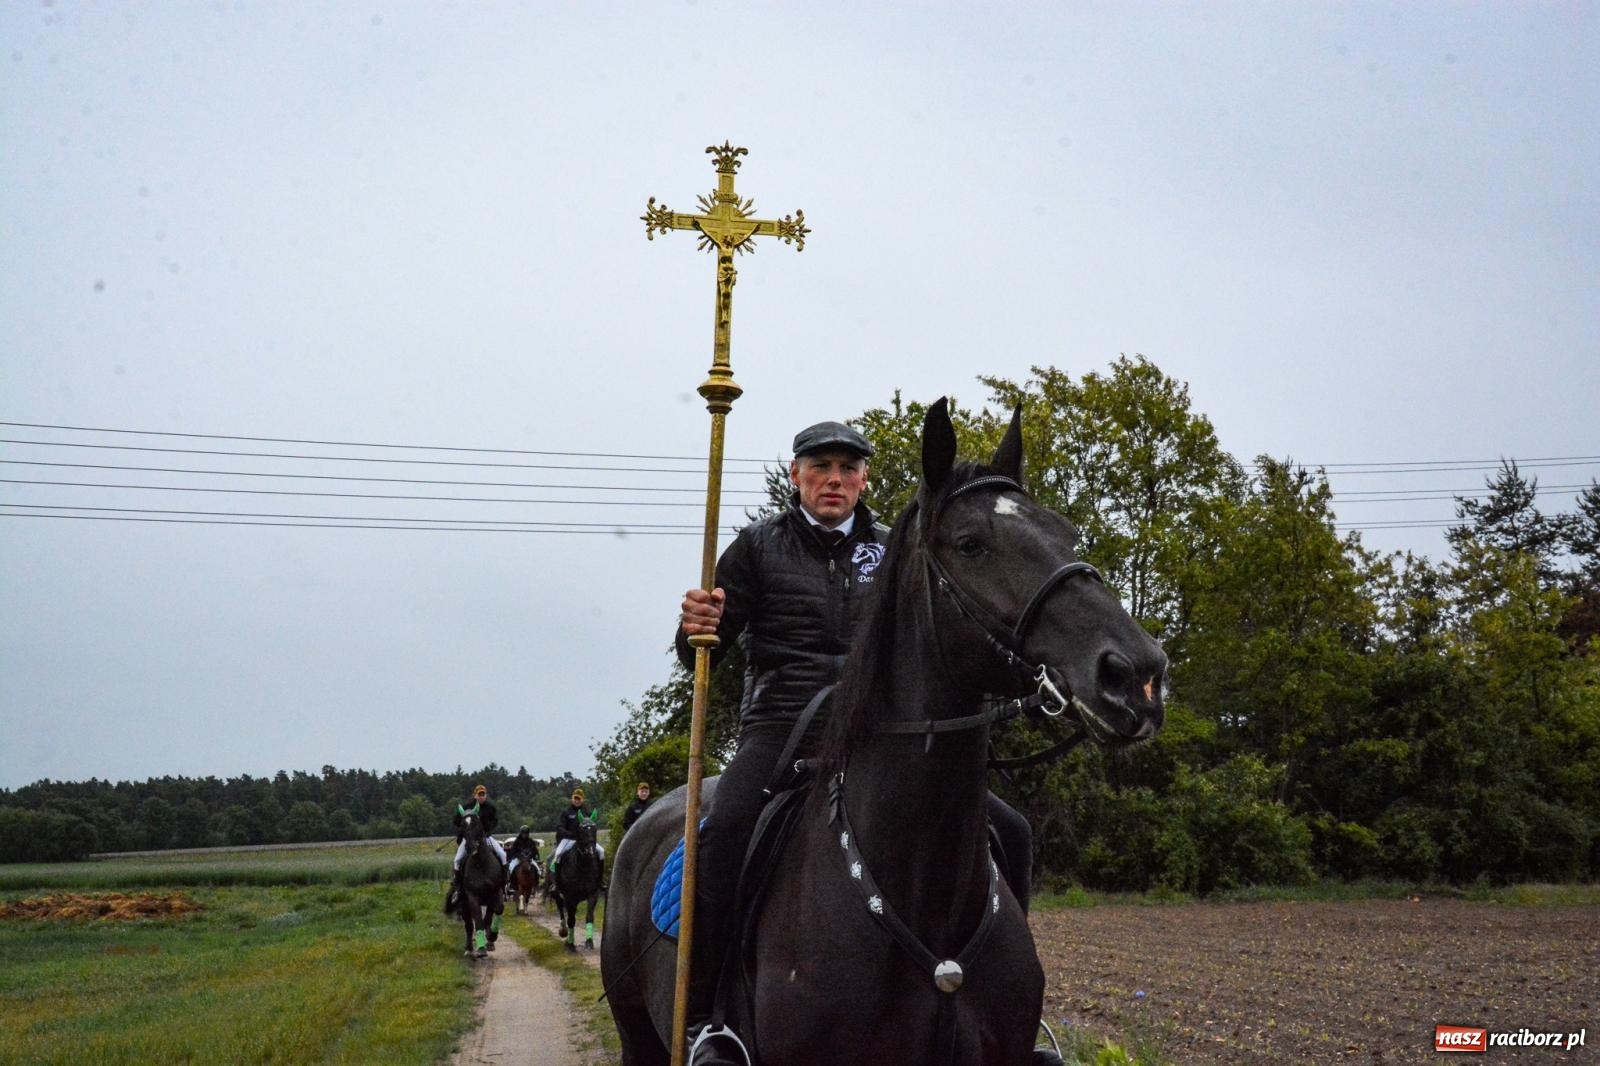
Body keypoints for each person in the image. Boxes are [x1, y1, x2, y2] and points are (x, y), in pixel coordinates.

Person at [676, 419, 1037, 1060]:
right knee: (724, 832)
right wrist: (697, 627)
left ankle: (1006, 1014)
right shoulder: (757, 548)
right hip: (782, 729)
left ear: (865, 478)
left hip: (879, 735)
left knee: (1011, 830)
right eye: (820, 467)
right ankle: (711, 1020)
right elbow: (702, 649)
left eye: (848, 468)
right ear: (796, 476)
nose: (834, 480)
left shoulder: (891, 547)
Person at [549, 787, 605, 881]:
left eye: (579, 799)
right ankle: (556, 882)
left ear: (583, 800)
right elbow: (559, 827)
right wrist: (569, 834)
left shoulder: (587, 813)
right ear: (572, 799)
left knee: (601, 852)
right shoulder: (566, 813)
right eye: (575, 798)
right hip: (568, 840)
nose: (577, 801)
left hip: (585, 841)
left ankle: (600, 880)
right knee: (558, 854)